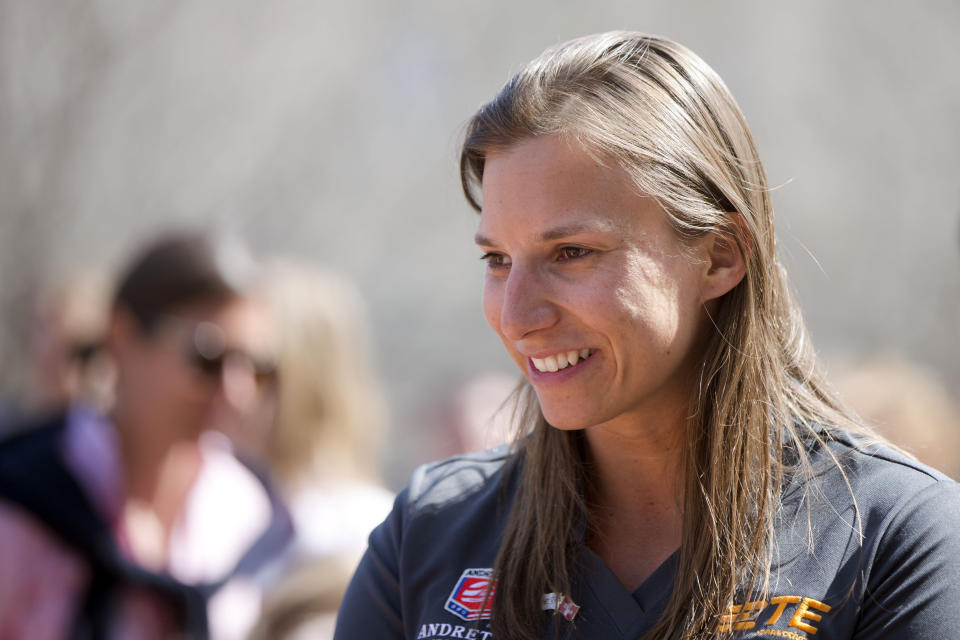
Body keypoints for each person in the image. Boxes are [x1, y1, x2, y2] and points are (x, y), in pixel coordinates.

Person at [334, 32, 960, 640]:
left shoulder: (894, 537)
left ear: (719, 256)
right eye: (497, 259)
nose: (517, 314)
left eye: (572, 252)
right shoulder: (431, 532)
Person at [0, 231, 287, 639]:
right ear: (122, 336)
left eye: (256, 367)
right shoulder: (26, 497)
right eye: (207, 357)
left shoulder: (250, 518)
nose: (236, 392)